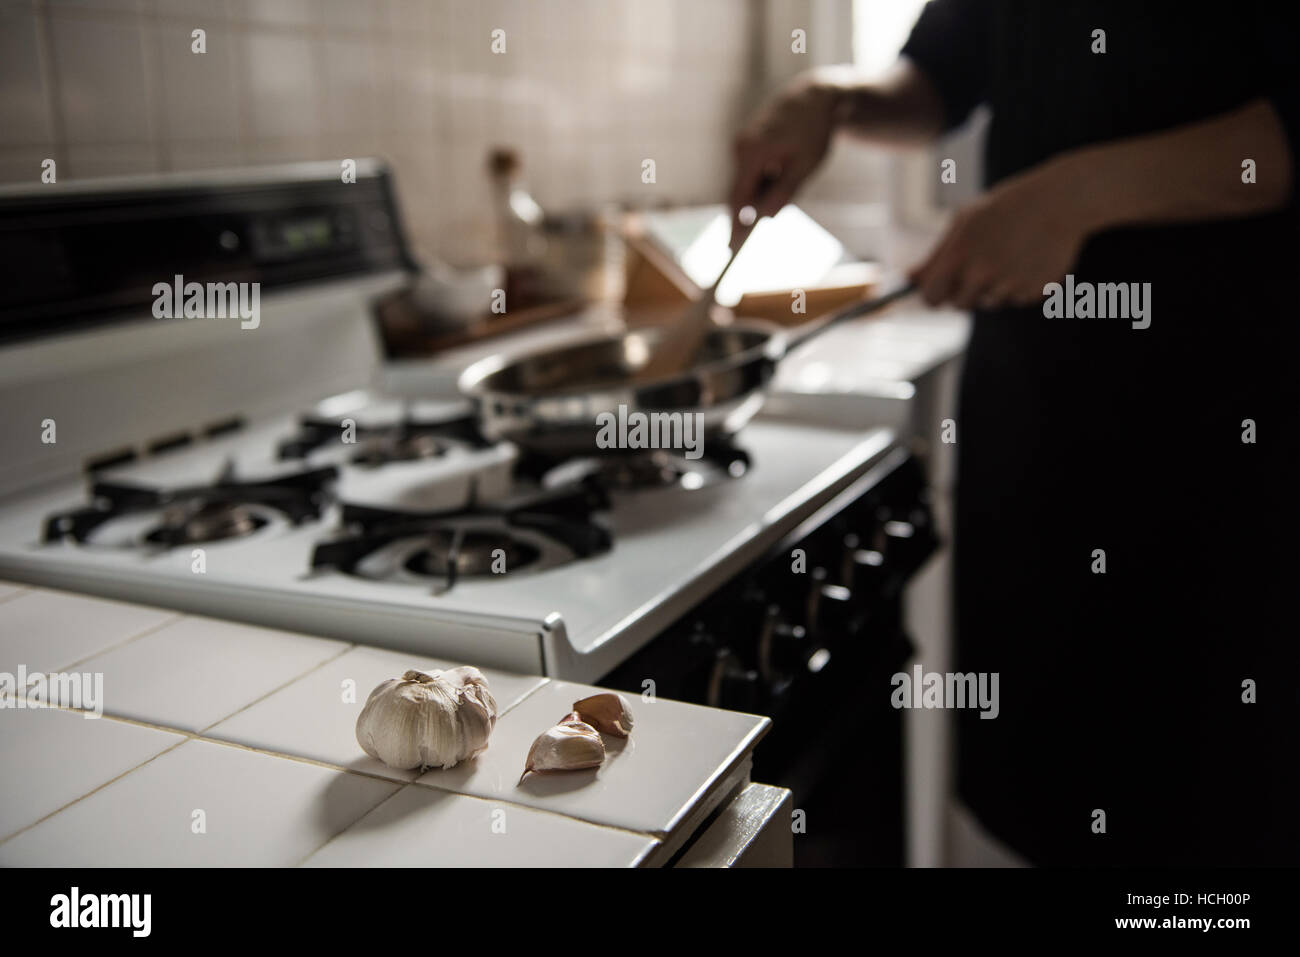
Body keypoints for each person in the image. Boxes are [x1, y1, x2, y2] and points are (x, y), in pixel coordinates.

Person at [730, 1, 1299, 866]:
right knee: (1050, 787)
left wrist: (1076, 193)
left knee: (1208, 802)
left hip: (1220, 429)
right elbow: (938, 77)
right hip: (1035, 413)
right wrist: (831, 96)